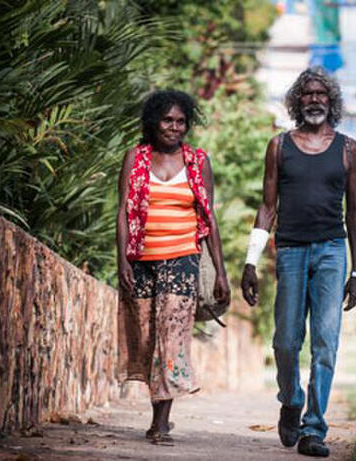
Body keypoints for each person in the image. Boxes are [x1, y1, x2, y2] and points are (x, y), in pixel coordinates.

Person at [240, 67, 356, 458]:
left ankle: (314, 429)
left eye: (321, 94)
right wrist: (250, 262)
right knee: (287, 341)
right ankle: (291, 399)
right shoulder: (280, 146)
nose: (314, 100)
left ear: (331, 102)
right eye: (307, 94)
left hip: (331, 251)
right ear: (297, 101)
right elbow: (267, 206)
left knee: (325, 344)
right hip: (290, 250)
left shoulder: (348, 149)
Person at [116, 89, 230, 444]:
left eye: (181, 121)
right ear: (153, 121)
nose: (174, 127)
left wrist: (221, 272)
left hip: (182, 260)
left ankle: (161, 421)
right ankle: (157, 414)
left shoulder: (197, 162)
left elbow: (207, 217)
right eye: (167, 120)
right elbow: (122, 210)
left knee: (172, 337)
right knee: (148, 339)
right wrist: (122, 259)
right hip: (142, 259)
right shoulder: (135, 158)